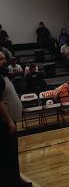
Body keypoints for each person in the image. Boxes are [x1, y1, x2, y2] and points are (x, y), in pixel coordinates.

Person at [0, 51, 33, 187]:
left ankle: (15, 179)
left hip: (10, 121)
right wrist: (8, 121)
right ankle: (11, 182)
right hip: (4, 123)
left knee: (12, 153)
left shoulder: (3, 75)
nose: (3, 61)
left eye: (3, 58)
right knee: (8, 154)